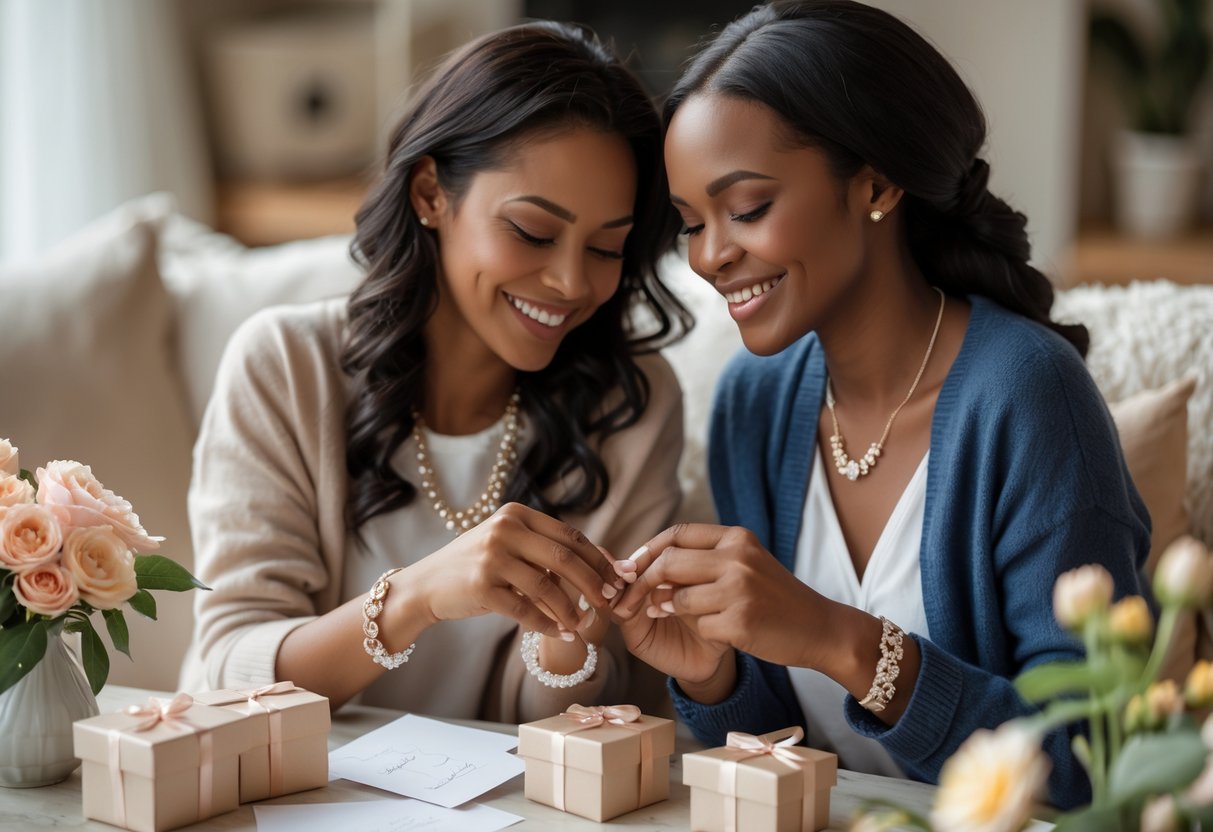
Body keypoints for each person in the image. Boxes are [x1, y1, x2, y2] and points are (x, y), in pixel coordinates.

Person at [610, 0, 1149, 809]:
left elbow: (1088, 758)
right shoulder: (752, 404)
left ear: (875, 182)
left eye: (746, 208)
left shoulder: (1027, 396)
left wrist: (841, 640)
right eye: (690, 223)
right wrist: (712, 672)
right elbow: (776, 748)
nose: (711, 256)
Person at [180, 20, 691, 722]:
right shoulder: (284, 366)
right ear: (429, 193)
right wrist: (418, 597)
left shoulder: (631, 404)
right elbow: (228, 672)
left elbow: (580, 720)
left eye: (606, 248)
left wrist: (572, 636)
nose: (571, 282)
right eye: (533, 233)